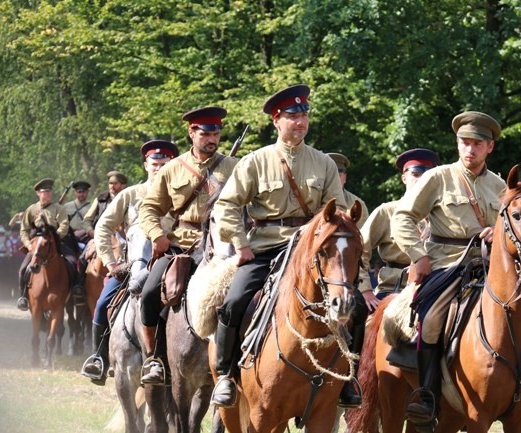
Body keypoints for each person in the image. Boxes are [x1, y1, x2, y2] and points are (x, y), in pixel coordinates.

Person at [391, 111, 521, 429]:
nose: (470, 149)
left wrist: (497, 233)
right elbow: (404, 217)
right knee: (432, 316)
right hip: (445, 264)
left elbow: (516, 227)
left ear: (489, 147)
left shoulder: (502, 186)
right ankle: (426, 393)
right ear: (458, 144)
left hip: (492, 268)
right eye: (465, 142)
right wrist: (418, 255)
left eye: (477, 143)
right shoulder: (438, 178)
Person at [210, 84, 367, 409]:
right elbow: (226, 206)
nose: (300, 121)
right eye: (293, 116)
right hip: (265, 248)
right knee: (235, 300)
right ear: (277, 121)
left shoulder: (323, 163)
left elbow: (334, 210)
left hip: (311, 251)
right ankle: (226, 375)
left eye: (304, 114)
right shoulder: (256, 161)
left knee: (358, 307)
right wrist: (240, 244)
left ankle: (348, 379)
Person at [138, 106, 238, 385]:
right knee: (148, 293)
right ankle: (154, 359)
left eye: (216, 133)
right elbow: (149, 208)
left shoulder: (234, 168)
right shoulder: (172, 169)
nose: (212, 139)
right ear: (191, 132)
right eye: (206, 133)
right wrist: (157, 235)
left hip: (224, 251)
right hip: (183, 247)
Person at [81, 139, 179, 385]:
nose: (159, 168)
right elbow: (103, 227)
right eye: (154, 163)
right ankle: (99, 357)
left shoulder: (181, 194)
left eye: (164, 164)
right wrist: (112, 264)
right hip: (133, 263)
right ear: (146, 165)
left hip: (174, 262)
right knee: (104, 302)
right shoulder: (130, 194)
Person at [358, 148, 440, 301]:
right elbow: (358, 249)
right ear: (404, 178)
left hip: (434, 287)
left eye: (426, 176)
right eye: (415, 175)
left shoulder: (441, 214)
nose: (420, 180)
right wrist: (365, 290)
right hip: (393, 288)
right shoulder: (387, 211)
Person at [16, 179, 78, 311]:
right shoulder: (32, 209)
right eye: (44, 192)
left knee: (73, 262)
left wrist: (55, 238)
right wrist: (28, 245)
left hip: (56, 243)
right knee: (23, 270)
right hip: (36, 244)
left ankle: (76, 291)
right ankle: (23, 297)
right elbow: (24, 230)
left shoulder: (58, 208)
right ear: (38, 193)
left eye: (49, 191)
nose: (48, 194)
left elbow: (64, 226)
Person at [74, 171, 128, 305]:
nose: (112, 186)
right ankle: (79, 287)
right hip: (101, 237)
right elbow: (87, 220)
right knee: (83, 257)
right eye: (110, 183)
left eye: (115, 183)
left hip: (124, 237)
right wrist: (93, 233)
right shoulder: (101, 199)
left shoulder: (128, 197)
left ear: (122, 185)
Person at [327, 152, 369, 228]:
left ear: (345, 178)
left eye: (338, 175)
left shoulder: (357, 205)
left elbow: (362, 236)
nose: (335, 180)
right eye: (331, 176)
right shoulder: (312, 200)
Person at [63, 180, 92, 247]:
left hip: (87, 237)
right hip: (70, 238)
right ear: (75, 193)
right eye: (79, 192)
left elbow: (95, 224)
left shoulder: (92, 207)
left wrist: (84, 231)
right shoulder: (67, 206)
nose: (81, 194)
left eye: (83, 192)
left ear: (87, 192)